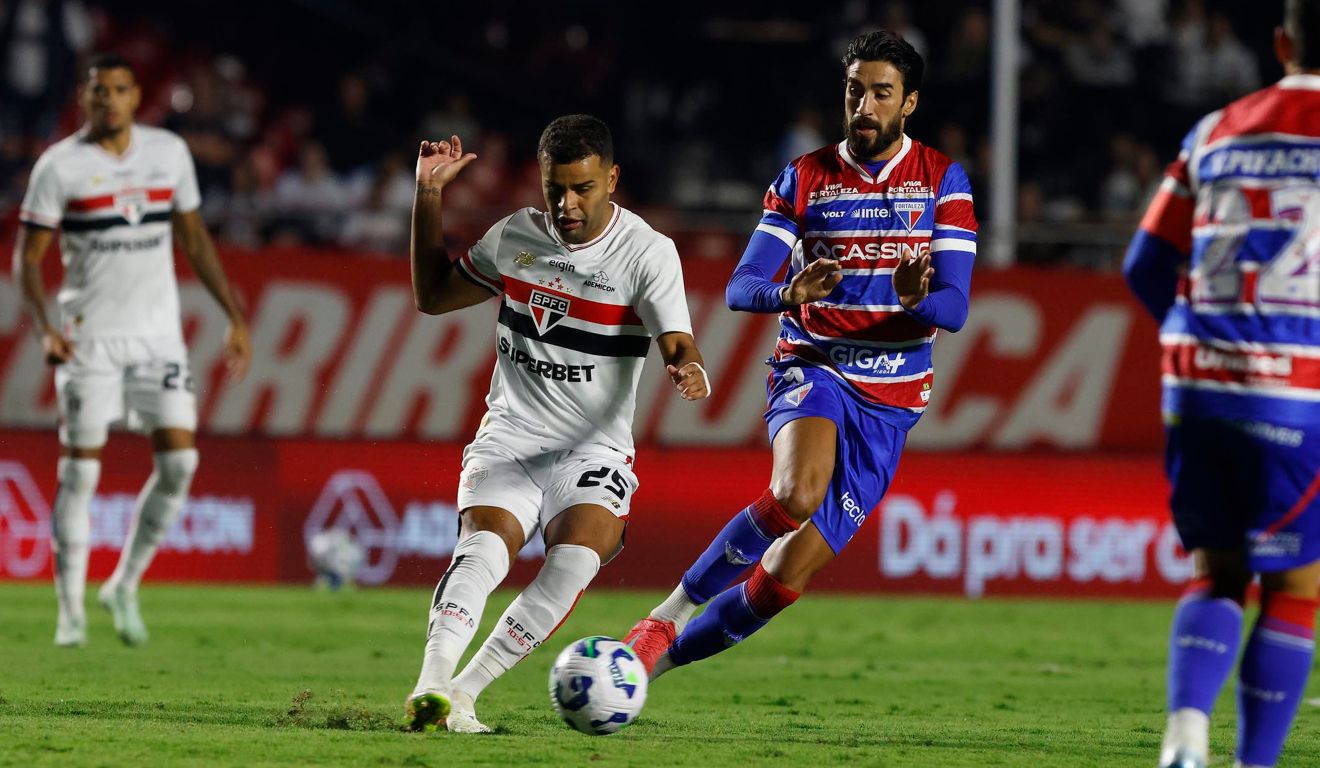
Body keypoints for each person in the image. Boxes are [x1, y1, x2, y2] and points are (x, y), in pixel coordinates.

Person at [624, 30, 976, 682]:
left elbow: (954, 309)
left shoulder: (941, 180)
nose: (864, 106)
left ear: (909, 104)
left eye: (881, 93)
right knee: (796, 491)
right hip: (815, 363)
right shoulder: (806, 176)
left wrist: (914, 300)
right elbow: (740, 287)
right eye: (854, 91)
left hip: (894, 397)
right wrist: (790, 289)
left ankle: (647, 672)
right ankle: (666, 615)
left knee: (783, 579)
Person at [403, 115, 709, 733]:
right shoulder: (516, 236)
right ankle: (431, 685)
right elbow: (433, 295)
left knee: (576, 557)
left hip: (592, 449)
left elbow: (676, 339)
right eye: (555, 189)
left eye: (583, 189)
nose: (567, 205)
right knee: (485, 550)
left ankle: (465, 691)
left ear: (612, 179)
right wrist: (429, 194)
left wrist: (688, 366)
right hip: (511, 436)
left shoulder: (647, 253)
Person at [1123, 3, 1320, 767]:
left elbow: (1143, 265)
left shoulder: (1215, 130)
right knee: (1296, 586)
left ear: (1280, 44)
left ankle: (1185, 736)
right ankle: (1254, 763)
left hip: (1198, 380)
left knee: (1219, 571)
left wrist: (1194, 336)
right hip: (1296, 388)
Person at [12, 53, 250, 648]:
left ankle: (122, 584)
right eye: (98, 91)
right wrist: (45, 326)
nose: (108, 100)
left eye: (119, 90)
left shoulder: (167, 153)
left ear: (136, 94)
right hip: (88, 336)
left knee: (180, 465)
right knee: (80, 472)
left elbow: (193, 236)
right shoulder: (59, 166)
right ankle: (70, 612)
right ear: (85, 97)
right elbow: (27, 260)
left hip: (157, 336)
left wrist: (234, 315)